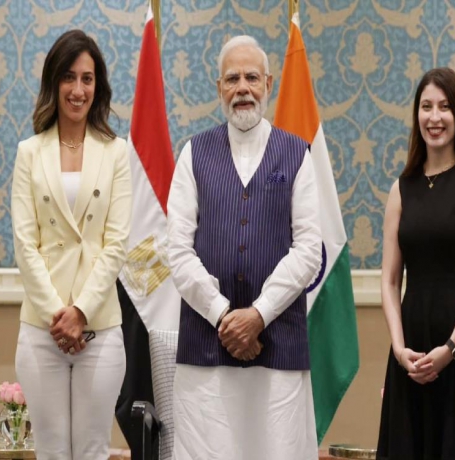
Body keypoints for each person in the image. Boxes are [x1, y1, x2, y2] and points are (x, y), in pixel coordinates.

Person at [165, 35, 323, 460]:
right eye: (232, 78)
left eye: (251, 77)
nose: (242, 88)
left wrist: (257, 315)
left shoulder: (296, 154)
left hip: (279, 347)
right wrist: (225, 318)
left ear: (268, 83)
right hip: (206, 352)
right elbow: (178, 252)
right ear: (219, 87)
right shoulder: (193, 153)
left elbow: (309, 249)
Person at [11, 29, 132, 460]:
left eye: (87, 78)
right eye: (68, 77)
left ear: (97, 86)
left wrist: (80, 312)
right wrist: (58, 318)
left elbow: (116, 243)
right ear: (53, 83)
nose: (78, 90)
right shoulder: (29, 152)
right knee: (51, 452)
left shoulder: (117, 152)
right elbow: (25, 243)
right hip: (42, 330)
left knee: (92, 451)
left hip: (99, 326)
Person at [377, 67, 455, 459]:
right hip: (411, 352)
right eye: (426, 107)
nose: (435, 117)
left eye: (445, 107)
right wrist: (400, 350)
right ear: (417, 116)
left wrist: (451, 347)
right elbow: (388, 280)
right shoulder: (401, 189)